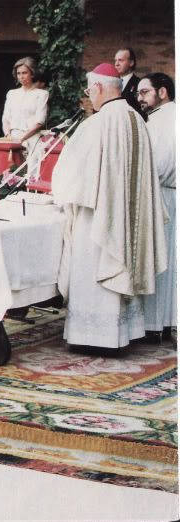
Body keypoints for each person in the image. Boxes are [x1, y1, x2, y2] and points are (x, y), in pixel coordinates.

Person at [51, 63, 167, 353]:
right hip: (126, 217)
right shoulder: (137, 119)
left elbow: (72, 176)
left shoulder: (98, 123)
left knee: (95, 270)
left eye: (90, 89)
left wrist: (59, 192)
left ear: (100, 88)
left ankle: (93, 338)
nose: (89, 94)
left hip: (97, 218)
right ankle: (124, 333)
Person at [137, 72, 176, 342]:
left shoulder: (163, 121)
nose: (139, 98)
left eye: (144, 92)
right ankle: (165, 321)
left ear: (162, 92)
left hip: (162, 195)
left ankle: (156, 324)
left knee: (161, 261)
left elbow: (158, 165)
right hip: (168, 194)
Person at [0, 56, 49, 157]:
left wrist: (22, 139)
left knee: (31, 170)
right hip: (11, 139)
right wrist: (8, 137)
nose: (21, 76)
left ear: (32, 74)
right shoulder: (12, 93)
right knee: (9, 170)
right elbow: (6, 118)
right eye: (19, 73)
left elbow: (40, 121)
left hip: (32, 139)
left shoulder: (41, 94)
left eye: (24, 73)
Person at [114, 47, 144, 119]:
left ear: (131, 63)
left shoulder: (140, 84)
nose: (116, 64)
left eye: (120, 60)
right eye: (115, 60)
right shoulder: (112, 83)